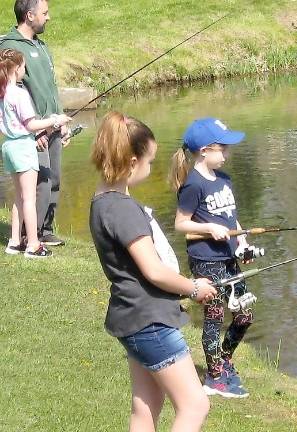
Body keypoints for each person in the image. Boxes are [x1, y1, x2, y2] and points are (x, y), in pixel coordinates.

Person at [89, 111, 217, 432]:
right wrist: (192, 287)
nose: (150, 168)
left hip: (130, 317)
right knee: (195, 404)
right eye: (148, 162)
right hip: (150, 322)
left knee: (146, 407)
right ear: (132, 163)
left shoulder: (102, 201)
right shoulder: (123, 210)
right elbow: (154, 270)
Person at [169, 117, 255, 398]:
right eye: (222, 148)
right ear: (205, 150)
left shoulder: (225, 180)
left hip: (230, 259)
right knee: (215, 317)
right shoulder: (193, 185)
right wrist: (208, 228)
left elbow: (232, 217)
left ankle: (225, 359)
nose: (227, 154)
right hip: (206, 261)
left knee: (244, 314)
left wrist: (242, 241)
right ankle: (214, 378)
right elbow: (181, 224)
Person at [0, 0, 70, 247]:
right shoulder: (10, 46)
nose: (48, 17)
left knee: (54, 178)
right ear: (29, 15)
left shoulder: (42, 46)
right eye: (44, 13)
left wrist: (62, 121)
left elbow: (51, 87)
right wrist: (34, 128)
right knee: (39, 181)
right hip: (33, 130)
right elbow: (13, 92)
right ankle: (32, 235)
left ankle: (46, 229)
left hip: (52, 124)